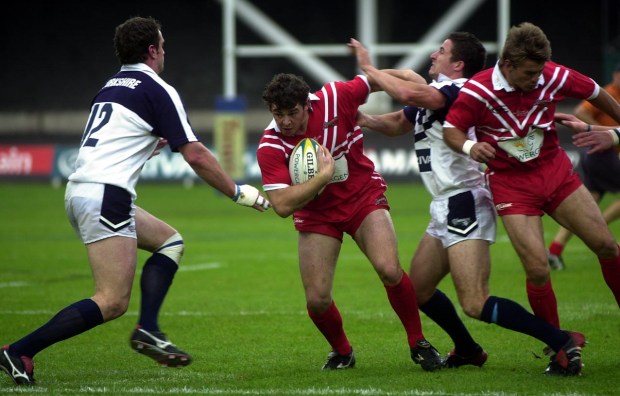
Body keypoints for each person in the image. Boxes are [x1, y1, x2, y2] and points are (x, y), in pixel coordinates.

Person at [0, 16, 269, 386]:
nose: (164, 53)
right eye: (163, 46)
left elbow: (114, 142)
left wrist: (145, 148)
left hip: (83, 191)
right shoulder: (157, 88)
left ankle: (149, 329)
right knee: (111, 301)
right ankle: (19, 350)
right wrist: (238, 192)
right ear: (153, 50)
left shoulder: (110, 86)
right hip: (106, 195)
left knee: (170, 242)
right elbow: (196, 155)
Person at [350, 33, 587, 376]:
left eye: (442, 51)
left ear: (458, 64)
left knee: (475, 302)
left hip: (464, 199)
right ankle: (468, 350)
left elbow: (407, 91)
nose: (433, 54)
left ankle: (561, 340)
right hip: (444, 203)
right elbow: (400, 121)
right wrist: (366, 120)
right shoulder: (436, 96)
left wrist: (368, 67)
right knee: (419, 289)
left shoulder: (459, 89)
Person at [443, 22, 620, 375]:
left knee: (607, 245)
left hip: (554, 172)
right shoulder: (479, 90)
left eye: (540, 71)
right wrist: (469, 145)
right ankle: (560, 347)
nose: (536, 79)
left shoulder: (551, 75)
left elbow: (597, 91)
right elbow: (451, 129)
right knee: (537, 269)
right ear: (507, 64)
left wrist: (617, 131)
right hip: (511, 185)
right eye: (529, 72)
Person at [256, 72, 444, 372]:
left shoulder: (334, 98)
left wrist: (416, 82)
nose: (286, 122)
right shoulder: (270, 145)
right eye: (278, 115)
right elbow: (281, 205)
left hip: (362, 196)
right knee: (317, 299)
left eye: (292, 113)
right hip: (317, 214)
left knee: (389, 269)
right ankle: (342, 351)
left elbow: (376, 79)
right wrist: (321, 178)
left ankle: (418, 341)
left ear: (308, 104)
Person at [547, 64, 620, 270]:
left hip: (598, 155)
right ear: (615, 75)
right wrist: (602, 132)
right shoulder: (610, 93)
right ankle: (597, 230)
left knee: (591, 200)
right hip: (602, 155)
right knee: (593, 209)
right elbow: (580, 111)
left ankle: (555, 250)